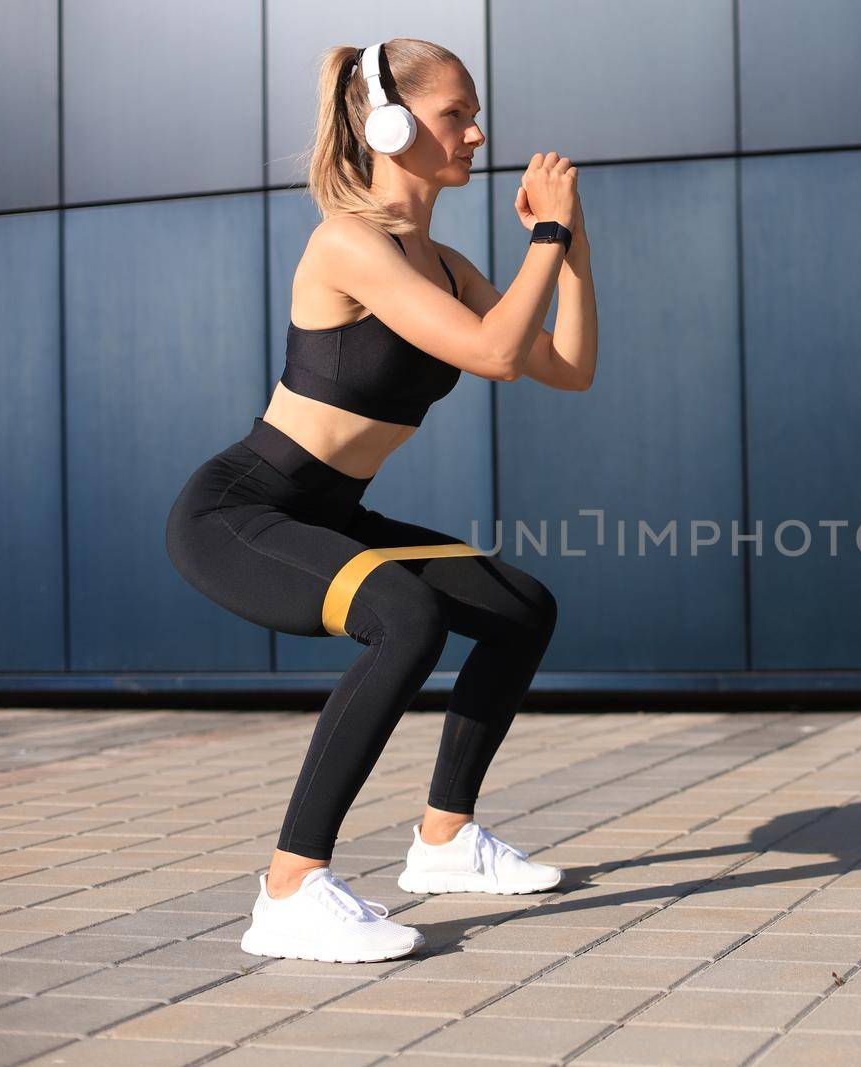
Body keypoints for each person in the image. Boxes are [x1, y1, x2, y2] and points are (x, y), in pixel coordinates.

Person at [164, 37, 597, 963]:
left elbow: (565, 367)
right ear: (389, 124)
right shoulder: (347, 243)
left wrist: (574, 248)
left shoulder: (444, 264)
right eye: (456, 115)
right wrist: (545, 239)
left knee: (522, 607)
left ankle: (445, 842)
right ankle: (289, 889)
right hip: (243, 512)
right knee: (404, 615)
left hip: (332, 515)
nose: (477, 133)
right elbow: (490, 354)